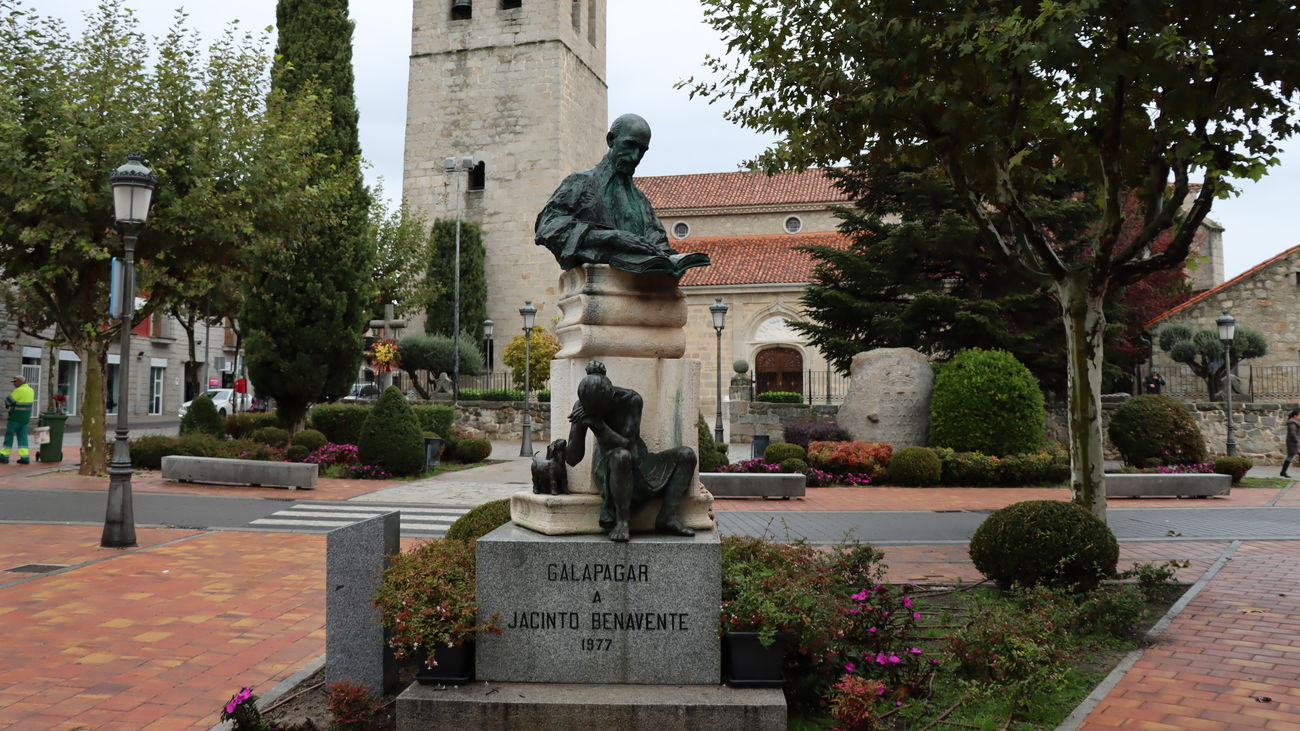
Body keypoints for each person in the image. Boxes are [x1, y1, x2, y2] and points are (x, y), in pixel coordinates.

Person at [535, 113, 708, 277]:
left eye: (642, 150)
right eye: (630, 145)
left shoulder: (641, 201)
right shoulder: (579, 182)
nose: (635, 157)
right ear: (611, 140)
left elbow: (658, 243)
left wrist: (671, 262)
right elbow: (547, 227)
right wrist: (611, 237)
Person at [564, 361, 696, 542]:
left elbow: (627, 442)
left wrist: (598, 424)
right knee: (620, 457)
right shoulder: (582, 407)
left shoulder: (631, 400)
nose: (599, 413)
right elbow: (572, 459)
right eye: (593, 411)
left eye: (602, 410)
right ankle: (622, 521)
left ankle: (668, 516)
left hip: (641, 460)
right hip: (609, 465)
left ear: (611, 396)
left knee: (686, 455)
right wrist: (576, 430)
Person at [2, 375, 35, 464]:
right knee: (23, 438)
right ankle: (25, 458)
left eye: (15, 382)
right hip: (25, 419)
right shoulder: (31, 390)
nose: (13, 384)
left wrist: (10, 404)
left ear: (20, 381)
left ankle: (4, 456)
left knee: (9, 436)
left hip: (15, 418)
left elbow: (8, 401)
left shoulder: (19, 390)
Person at [1282, 409, 1299, 478]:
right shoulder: (1292, 423)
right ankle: (1283, 472)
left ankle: (1283, 472)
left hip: (1295, 442)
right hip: (1293, 442)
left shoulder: (1295, 422)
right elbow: (1292, 433)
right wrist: (1297, 441)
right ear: (1295, 416)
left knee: (1290, 456)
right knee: (1290, 456)